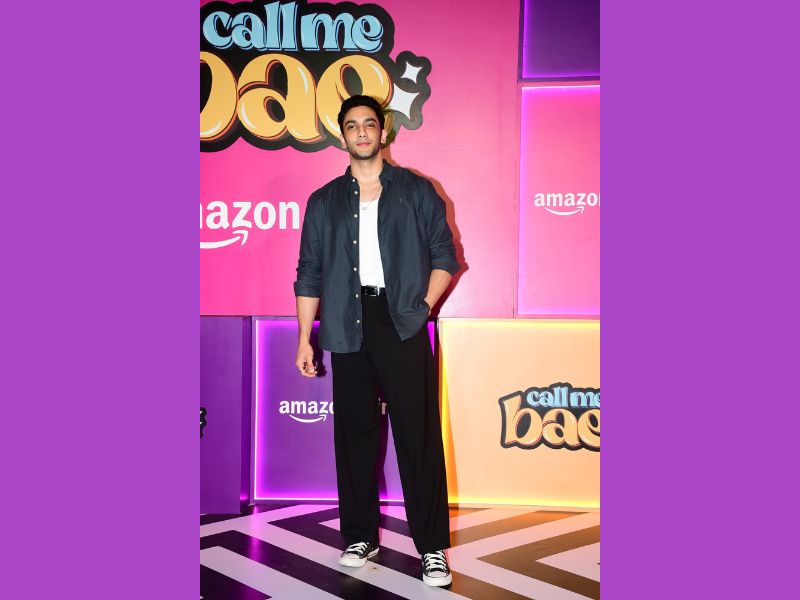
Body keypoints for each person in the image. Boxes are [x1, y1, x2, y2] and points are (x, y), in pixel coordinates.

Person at [293, 94, 460, 587]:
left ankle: (432, 548)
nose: (361, 132)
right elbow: (309, 272)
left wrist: (421, 307)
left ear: (383, 131)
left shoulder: (415, 189)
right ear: (342, 135)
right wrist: (305, 338)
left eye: (369, 123)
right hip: (346, 322)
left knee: (418, 435)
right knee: (354, 435)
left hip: (401, 321)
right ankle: (359, 536)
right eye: (352, 125)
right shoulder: (324, 201)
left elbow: (445, 255)